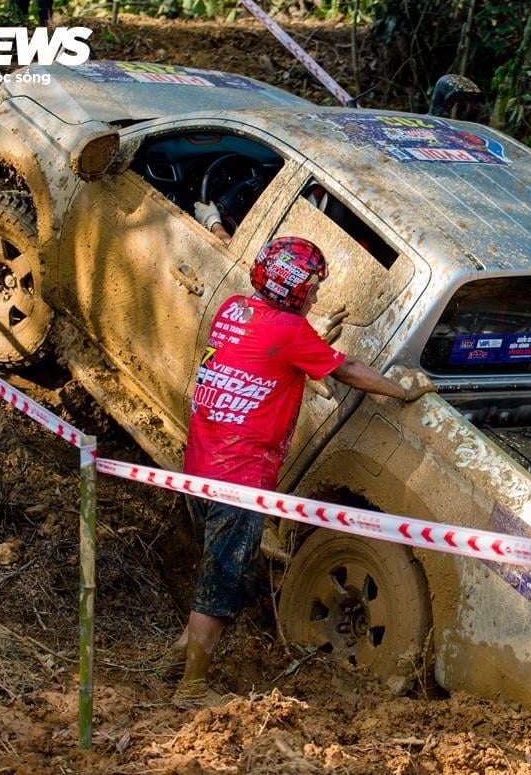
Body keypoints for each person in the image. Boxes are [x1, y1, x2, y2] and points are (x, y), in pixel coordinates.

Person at [176, 235, 435, 699]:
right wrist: (403, 391)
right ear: (292, 287)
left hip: (198, 465)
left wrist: (309, 337)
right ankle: (192, 686)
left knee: (218, 566)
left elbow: (265, 356)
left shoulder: (233, 310)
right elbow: (349, 368)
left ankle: (179, 654)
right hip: (239, 477)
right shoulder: (292, 334)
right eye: (312, 286)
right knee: (222, 581)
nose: (316, 294)